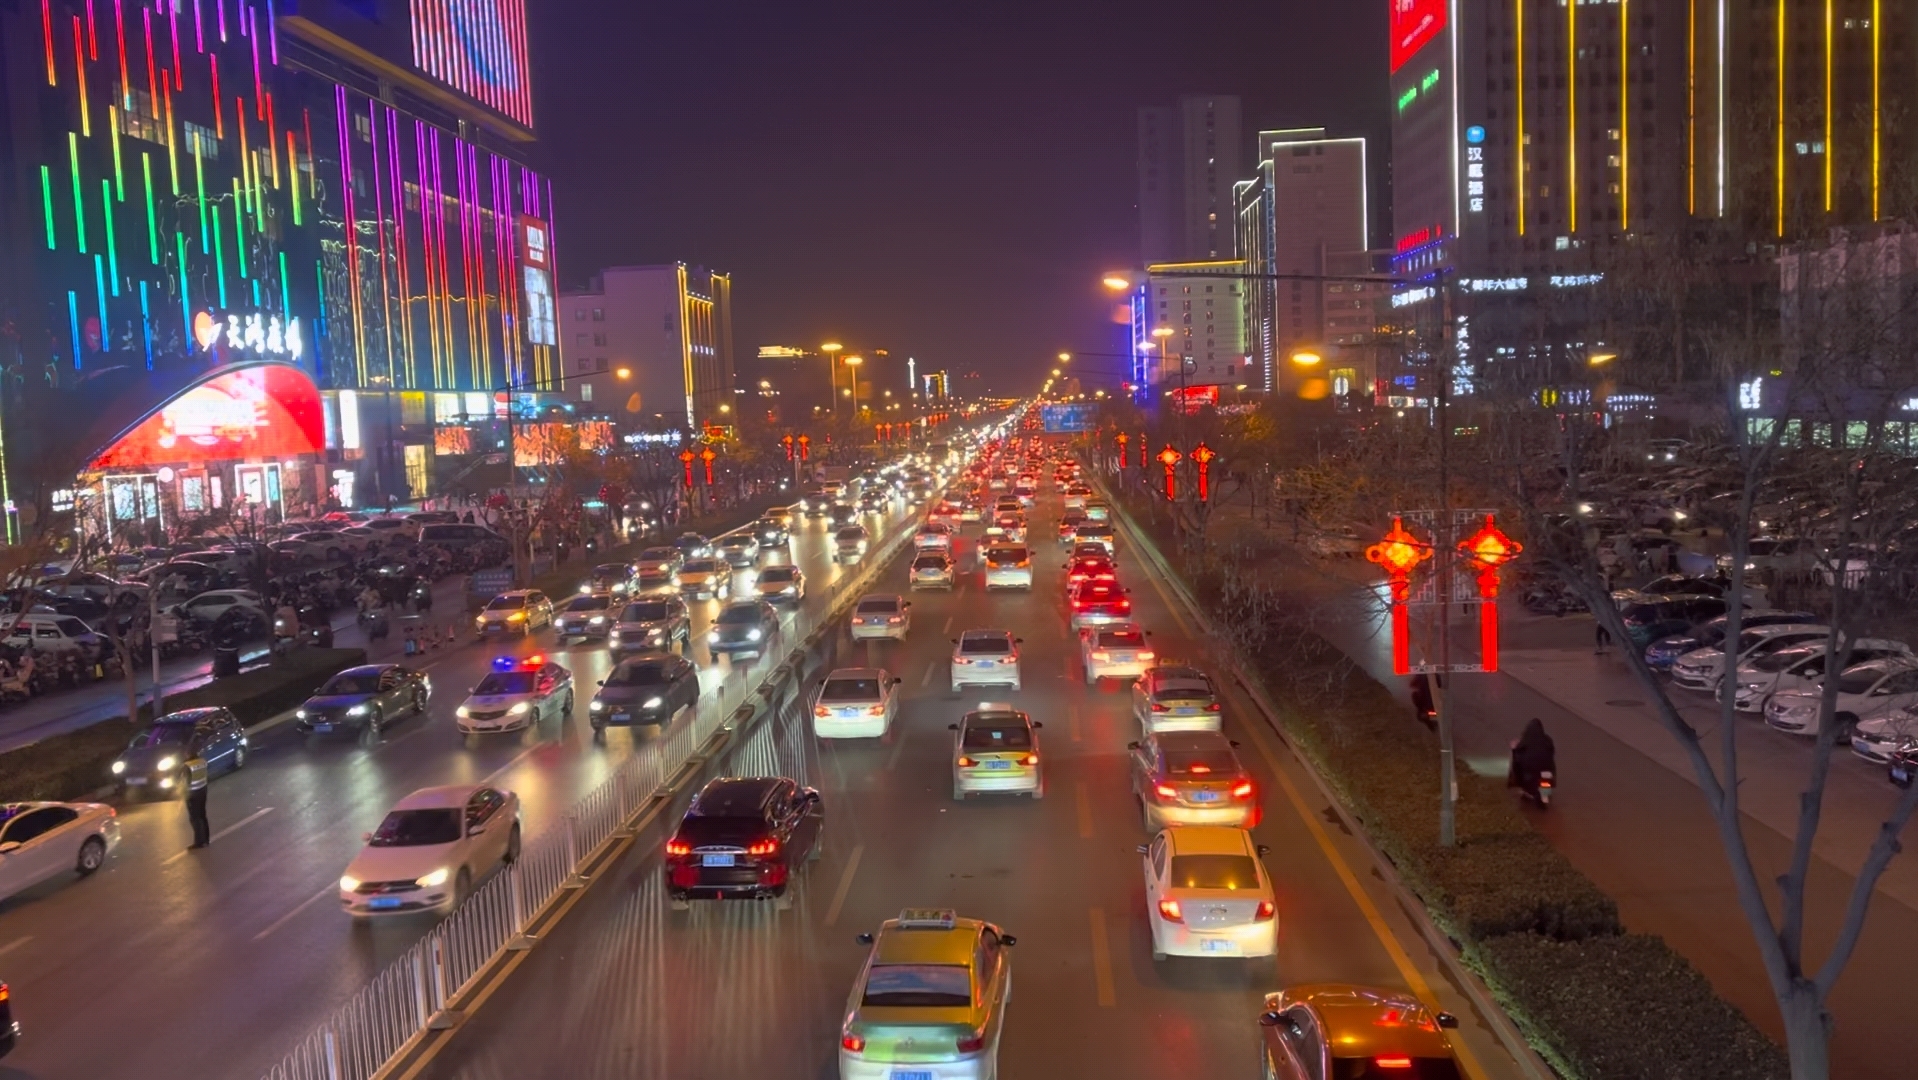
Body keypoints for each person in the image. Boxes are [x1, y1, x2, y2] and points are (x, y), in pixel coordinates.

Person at [1508, 718, 1557, 794]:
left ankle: (1523, 787)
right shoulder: (1547, 740)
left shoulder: (1525, 741)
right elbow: (1551, 753)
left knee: (1517, 762)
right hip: (1546, 774)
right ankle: (1545, 792)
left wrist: (1514, 749)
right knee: (1549, 767)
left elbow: (1518, 760)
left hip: (1529, 777)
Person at [185, 748, 211, 849]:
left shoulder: (187, 766)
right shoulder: (203, 762)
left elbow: (185, 783)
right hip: (203, 791)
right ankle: (206, 839)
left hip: (192, 794)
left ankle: (198, 842)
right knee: (203, 815)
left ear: (188, 754)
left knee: (195, 818)